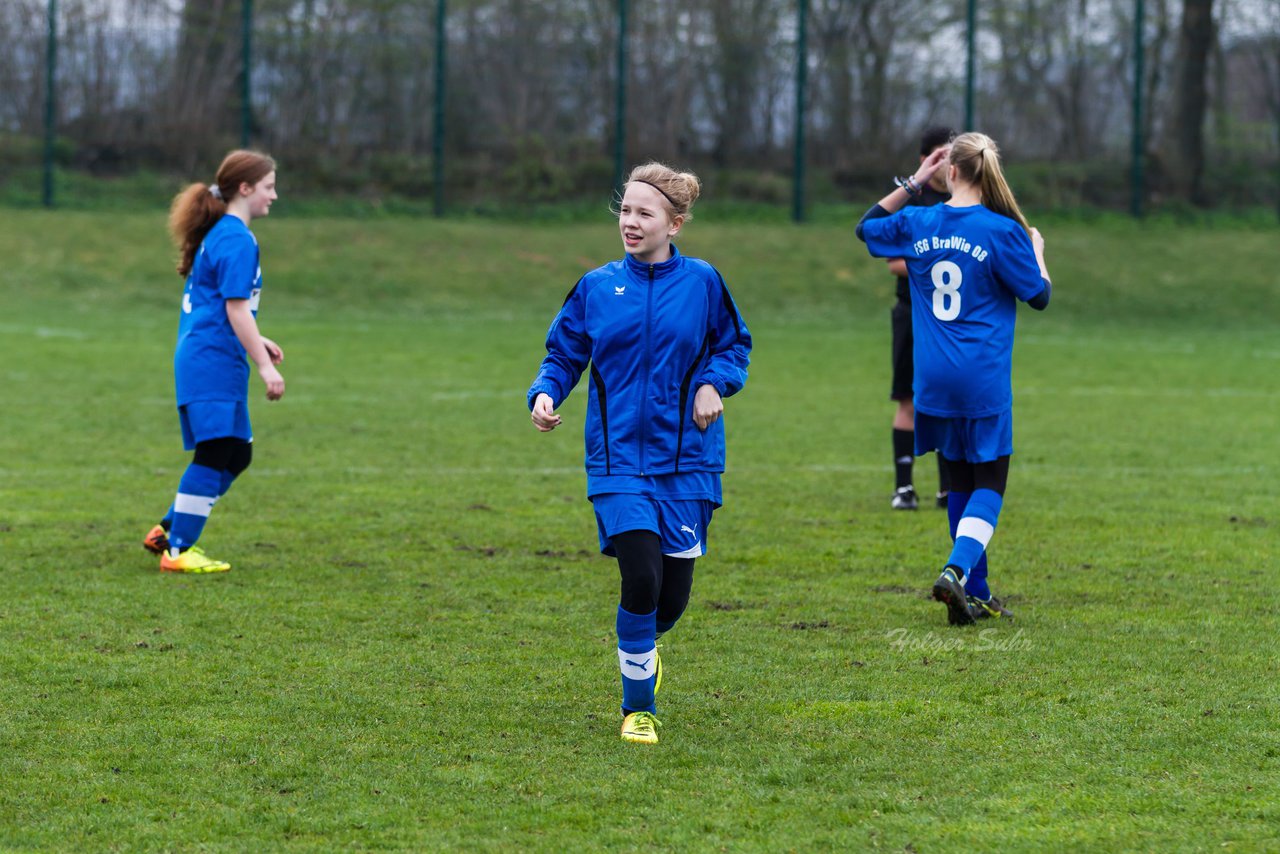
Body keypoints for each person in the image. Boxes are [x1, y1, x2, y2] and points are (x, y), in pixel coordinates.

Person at [527, 162, 751, 745]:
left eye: (643, 213)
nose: (629, 221)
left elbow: (733, 347)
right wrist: (546, 391)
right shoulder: (598, 287)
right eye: (624, 210)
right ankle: (638, 709)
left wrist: (712, 383)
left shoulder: (703, 282)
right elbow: (564, 353)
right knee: (642, 581)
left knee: (670, 603)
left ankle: (642, 650)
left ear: (674, 223)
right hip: (617, 460)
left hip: (689, 464)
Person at [856, 132, 1051, 625]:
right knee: (990, 479)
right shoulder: (1002, 231)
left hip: (934, 380)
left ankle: (975, 592)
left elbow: (867, 227)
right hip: (981, 376)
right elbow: (1039, 295)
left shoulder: (919, 220)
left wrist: (914, 181)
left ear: (952, 171)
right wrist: (1039, 252)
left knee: (959, 476)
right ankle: (956, 569)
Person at [142, 150, 284, 573]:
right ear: (245, 188)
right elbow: (236, 310)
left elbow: (222, 307)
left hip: (210, 353)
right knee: (216, 449)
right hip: (212, 360)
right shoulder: (236, 238)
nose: (274, 196)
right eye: (269, 187)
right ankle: (179, 551)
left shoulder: (223, 232)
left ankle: (168, 530)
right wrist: (265, 365)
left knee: (237, 454)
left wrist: (258, 340)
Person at [885, 126, 955, 511]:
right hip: (914, 314)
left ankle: (948, 487)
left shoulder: (966, 201)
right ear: (926, 159)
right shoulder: (914, 203)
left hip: (951, 319)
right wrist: (941, 262)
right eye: (942, 154)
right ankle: (904, 488)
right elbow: (895, 263)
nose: (949, 162)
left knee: (947, 399)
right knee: (908, 399)